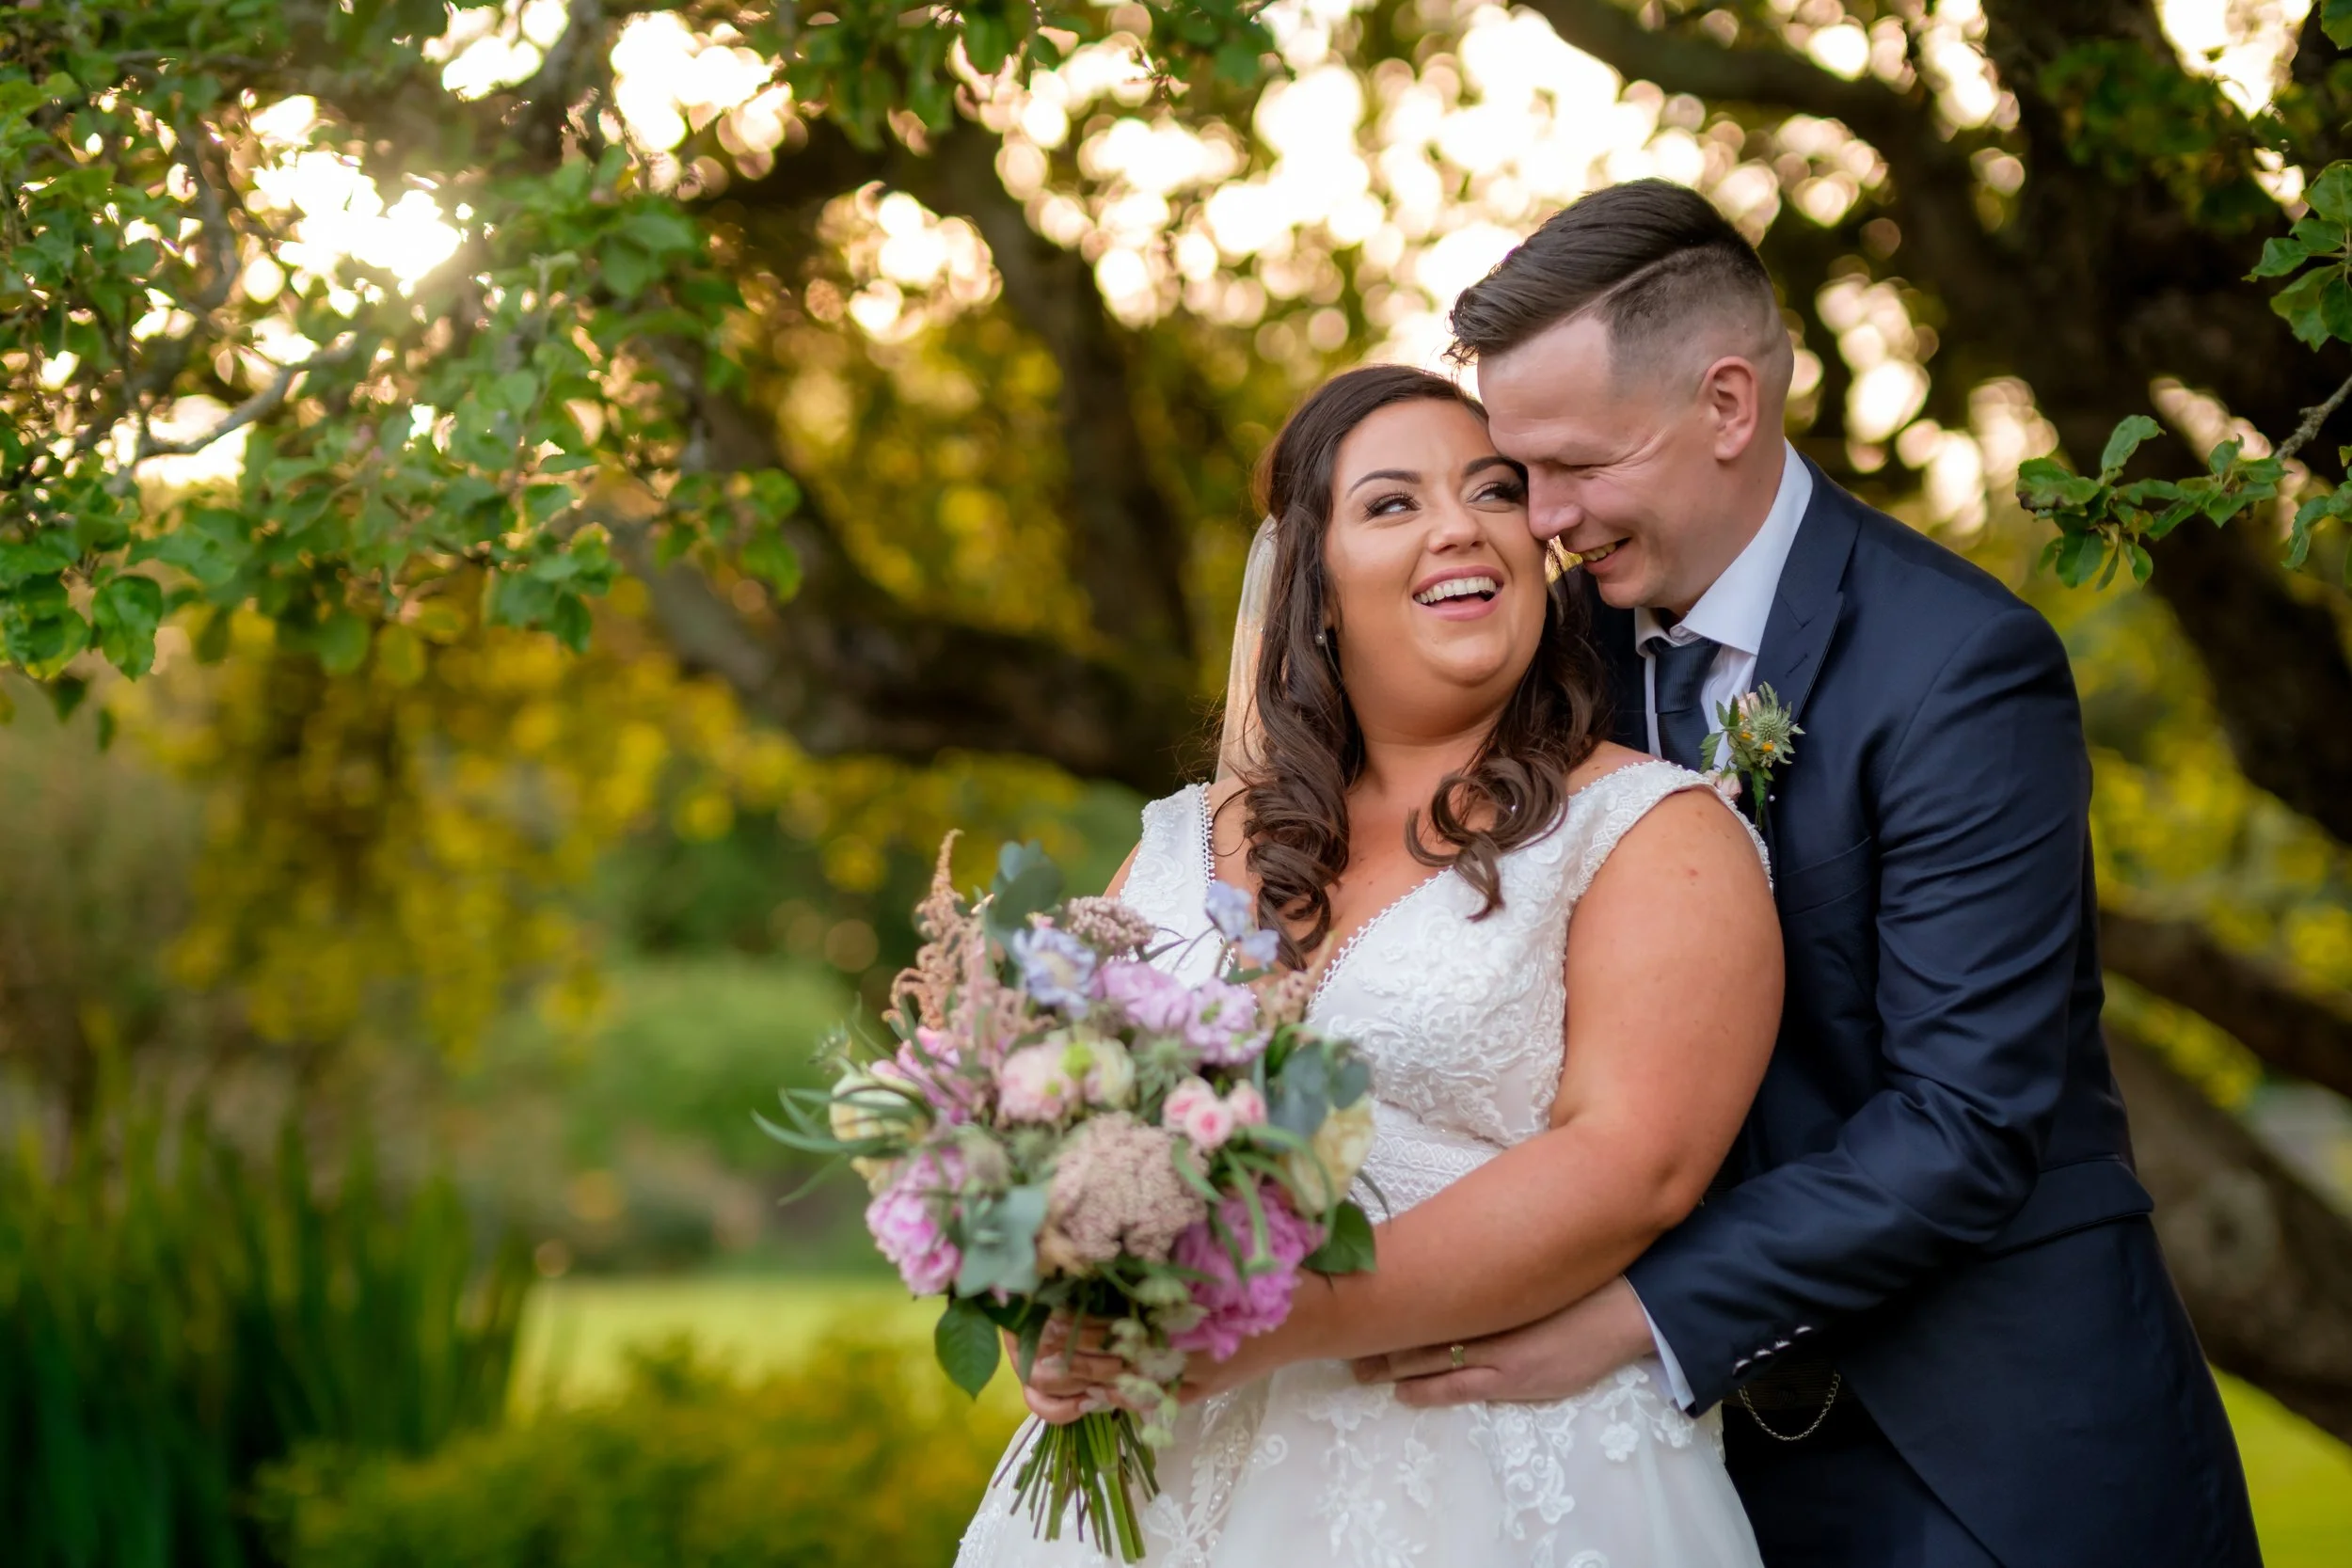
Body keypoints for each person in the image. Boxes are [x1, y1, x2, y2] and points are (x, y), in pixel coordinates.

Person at [1353, 181, 2262, 1567]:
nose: (1538, 515)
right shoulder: (1554, 671)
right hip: (1683, 1470)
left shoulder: (1959, 667)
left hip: (1985, 1447)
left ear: (1727, 406)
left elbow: (1964, 1120)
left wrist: (1630, 1316)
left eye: (1576, 464)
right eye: (1517, 468)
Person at [957, 361, 1783, 1566]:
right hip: (1149, 1479)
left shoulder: (1652, 828)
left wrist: (1259, 1322)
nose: (1460, 523)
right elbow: (1059, 1113)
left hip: (1494, 1476)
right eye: (1392, 503)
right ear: (1315, 584)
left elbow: (1632, 1166)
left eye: (1494, 491)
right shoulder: (1182, 841)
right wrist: (1053, 1299)